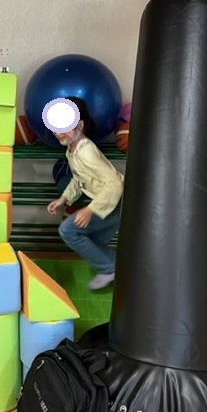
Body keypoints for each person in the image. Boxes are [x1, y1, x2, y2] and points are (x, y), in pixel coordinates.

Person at [47, 97, 124, 290]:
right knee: (94, 242)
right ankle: (120, 270)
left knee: (68, 230)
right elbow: (79, 178)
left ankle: (110, 267)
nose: (58, 132)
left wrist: (90, 210)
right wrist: (64, 198)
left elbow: (114, 184)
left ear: (80, 125)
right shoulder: (72, 150)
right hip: (111, 201)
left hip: (116, 200)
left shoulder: (85, 151)